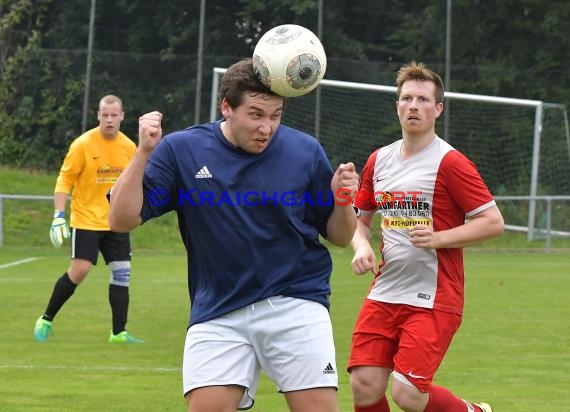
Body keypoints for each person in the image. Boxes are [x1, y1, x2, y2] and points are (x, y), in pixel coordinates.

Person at [108, 58, 359, 412]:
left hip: (296, 302)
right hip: (218, 308)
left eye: (275, 115)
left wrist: (343, 201)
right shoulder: (184, 150)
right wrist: (144, 152)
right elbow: (121, 219)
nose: (267, 127)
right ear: (226, 107)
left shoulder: (304, 150)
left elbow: (339, 234)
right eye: (256, 114)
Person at [347, 62, 504, 412]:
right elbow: (360, 222)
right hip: (386, 291)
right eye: (406, 98)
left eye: (422, 99)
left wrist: (439, 238)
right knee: (364, 385)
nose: (413, 105)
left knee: (407, 394)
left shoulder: (451, 162)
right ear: (397, 105)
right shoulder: (378, 160)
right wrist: (361, 247)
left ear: (438, 108)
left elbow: (493, 222)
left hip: (434, 296)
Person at [34, 94, 143, 344]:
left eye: (114, 115)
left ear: (122, 116)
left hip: (115, 220)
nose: (109, 120)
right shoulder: (83, 144)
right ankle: (46, 319)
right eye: (104, 115)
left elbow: (136, 180)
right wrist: (58, 216)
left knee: (122, 272)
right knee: (80, 270)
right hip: (85, 220)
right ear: (98, 115)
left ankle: (118, 333)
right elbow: (65, 180)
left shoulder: (128, 147)